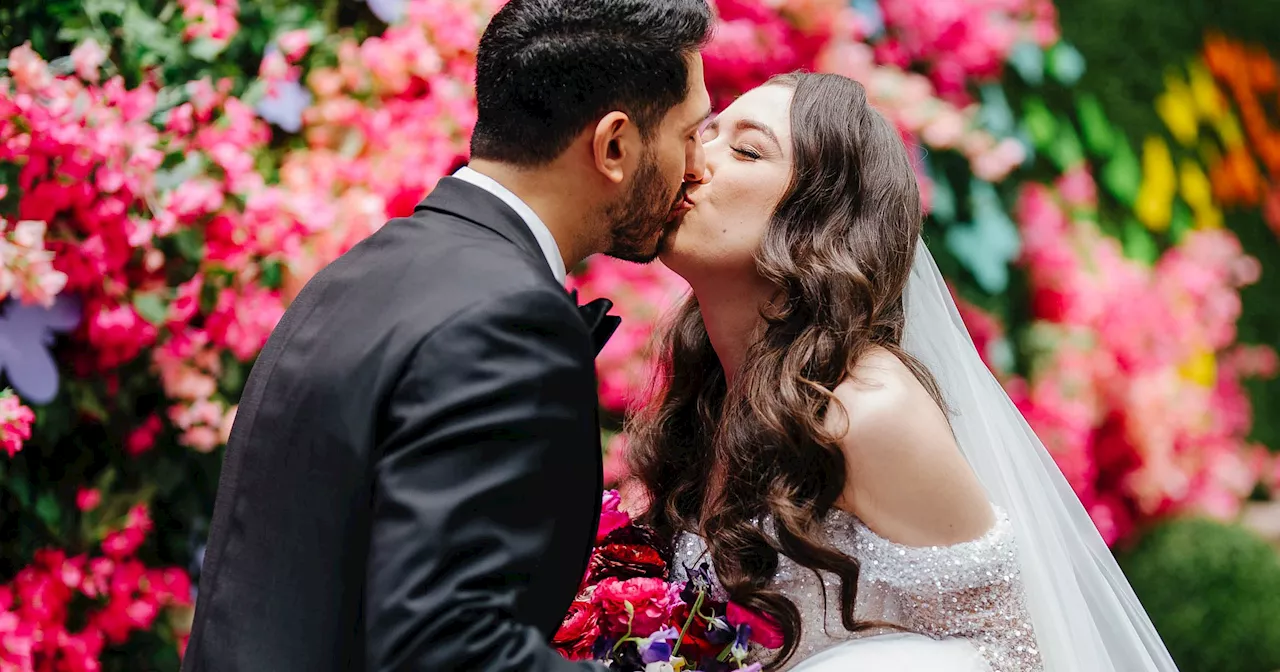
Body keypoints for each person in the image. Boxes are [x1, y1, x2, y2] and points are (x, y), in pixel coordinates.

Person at [180, 1, 713, 670]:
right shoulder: (507, 319)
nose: (698, 166)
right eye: (691, 134)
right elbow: (446, 645)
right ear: (613, 146)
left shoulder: (367, 269)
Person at [629, 72, 1180, 671]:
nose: (693, 162)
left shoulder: (866, 412)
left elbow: (1014, 652)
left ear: (818, 221)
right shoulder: (710, 397)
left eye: (745, 149)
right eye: (704, 135)